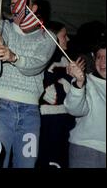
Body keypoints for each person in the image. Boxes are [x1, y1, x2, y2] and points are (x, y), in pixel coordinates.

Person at [0, 0, 56, 168]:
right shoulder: (2, 26)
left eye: (20, 3)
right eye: (12, 4)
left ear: (33, 8)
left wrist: (14, 57)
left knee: (27, 163)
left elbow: (36, 65)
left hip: (30, 113)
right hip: (1, 106)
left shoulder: (48, 36)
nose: (14, 7)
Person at [36, 21, 79, 168]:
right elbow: (52, 96)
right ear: (52, 38)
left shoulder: (66, 60)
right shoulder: (43, 61)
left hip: (64, 123)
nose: (68, 39)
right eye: (64, 36)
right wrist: (70, 78)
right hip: (49, 122)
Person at [65, 39, 106, 168]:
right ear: (94, 59)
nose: (103, 62)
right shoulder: (86, 81)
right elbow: (74, 109)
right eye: (100, 57)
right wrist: (79, 83)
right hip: (88, 150)